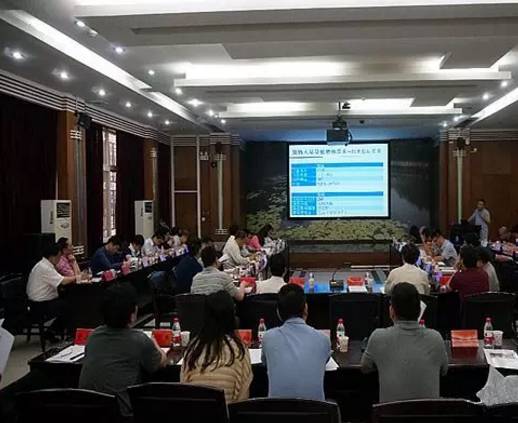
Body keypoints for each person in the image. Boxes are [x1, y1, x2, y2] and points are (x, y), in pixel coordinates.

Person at [79, 284, 167, 416]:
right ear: (132, 313)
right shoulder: (139, 340)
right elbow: (161, 362)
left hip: (86, 413)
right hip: (122, 414)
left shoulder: (93, 336)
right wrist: (155, 343)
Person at [361, 283, 448, 403]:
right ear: (419, 311)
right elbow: (444, 371)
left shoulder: (378, 337)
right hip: (428, 413)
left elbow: (365, 368)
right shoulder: (436, 338)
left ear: (392, 311)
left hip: (389, 413)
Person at [261, 284, 331, 400]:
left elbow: (265, 363)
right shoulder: (323, 339)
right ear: (306, 308)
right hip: (316, 411)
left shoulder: (268, 338)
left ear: (278, 311)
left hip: (277, 410)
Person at [181, 291, 252, 403]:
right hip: (227, 412)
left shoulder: (192, 350)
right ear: (232, 317)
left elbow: (183, 389)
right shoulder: (239, 351)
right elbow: (243, 399)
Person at [26, 243, 79, 341]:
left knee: (68, 302)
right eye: (59, 257)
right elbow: (63, 281)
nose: (60, 259)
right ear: (52, 257)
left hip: (43, 301)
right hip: (39, 305)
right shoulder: (44, 267)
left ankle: (52, 331)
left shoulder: (45, 264)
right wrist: (78, 277)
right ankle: (68, 334)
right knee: (70, 307)